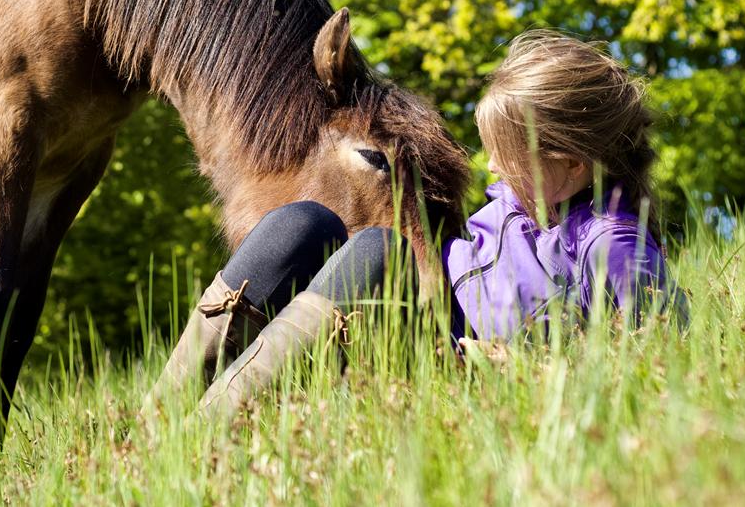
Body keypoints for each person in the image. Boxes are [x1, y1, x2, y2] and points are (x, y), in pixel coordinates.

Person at [147, 30, 681, 414]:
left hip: (462, 382)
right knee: (301, 224)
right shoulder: (507, 213)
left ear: (570, 163)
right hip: (422, 342)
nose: (492, 168)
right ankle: (161, 422)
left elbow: (664, 357)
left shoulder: (610, 245)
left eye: (509, 156)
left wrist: (523, 368)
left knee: (380, 250)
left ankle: (207, 435)